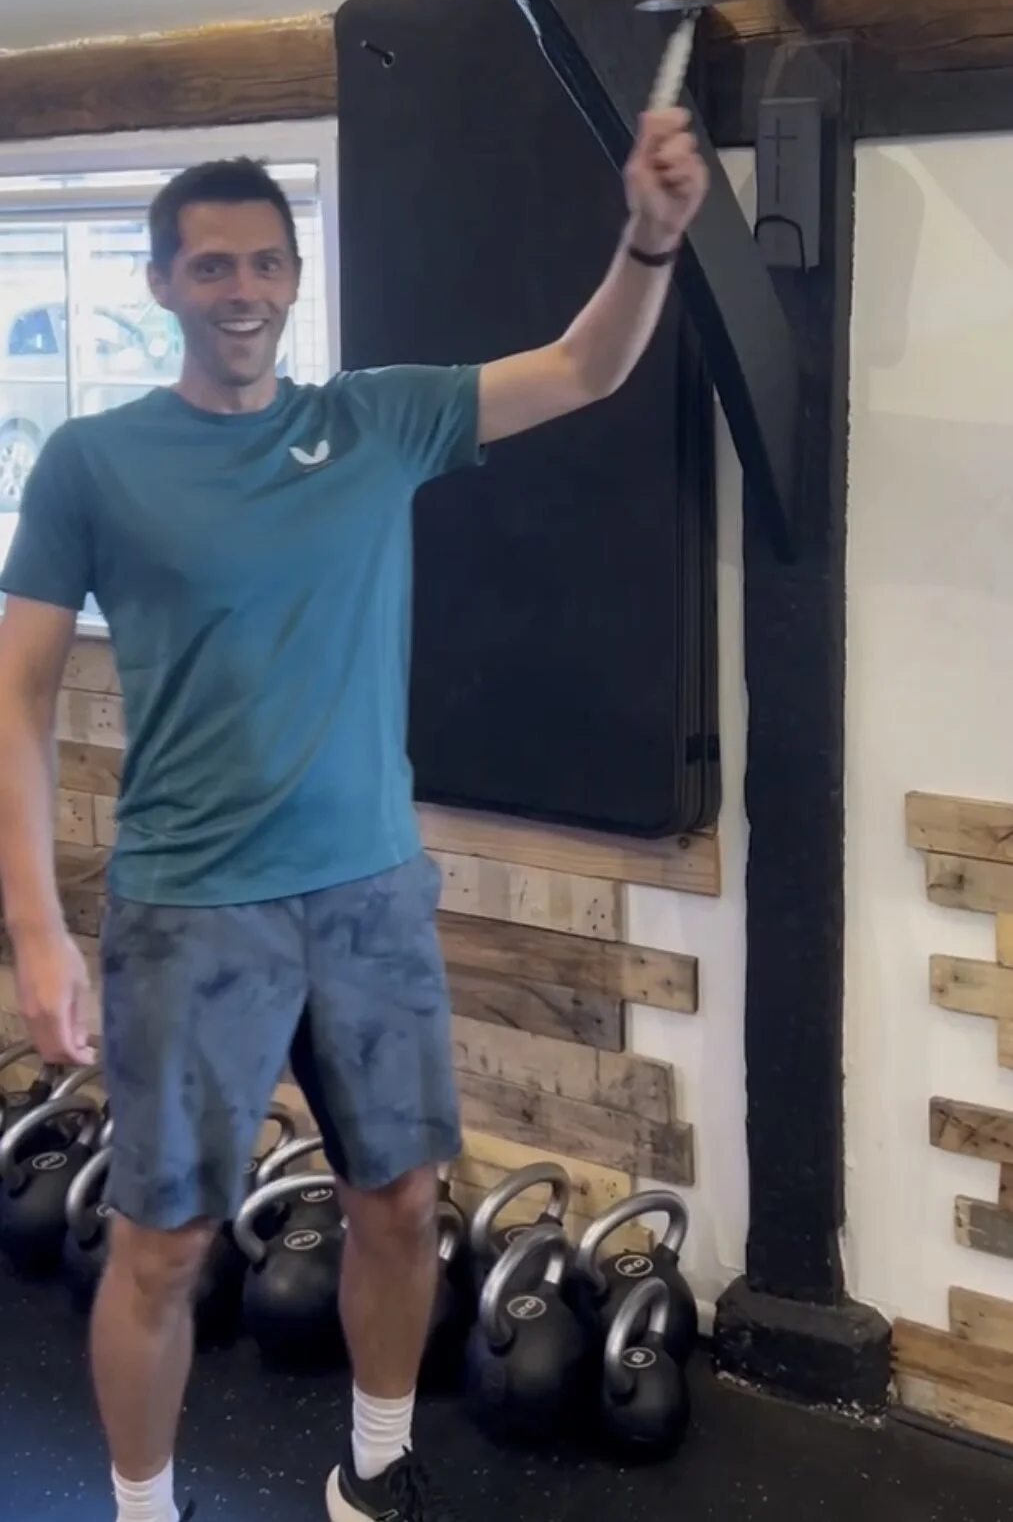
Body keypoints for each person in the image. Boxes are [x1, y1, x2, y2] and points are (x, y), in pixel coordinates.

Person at [0, 107, 707, 1522]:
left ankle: (375, 1469)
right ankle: (146, 1508)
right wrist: (37, 932)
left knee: (400, 1198)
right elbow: (12, 700)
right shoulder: (91, 459)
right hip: (191, 905)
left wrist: (651, 236)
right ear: (161, 283)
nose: (244, 289)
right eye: (211, 267)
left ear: (293, 277)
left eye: (265, 263)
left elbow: (586, 364)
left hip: (371, 894)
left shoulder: (373, 419)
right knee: (163, 1243)